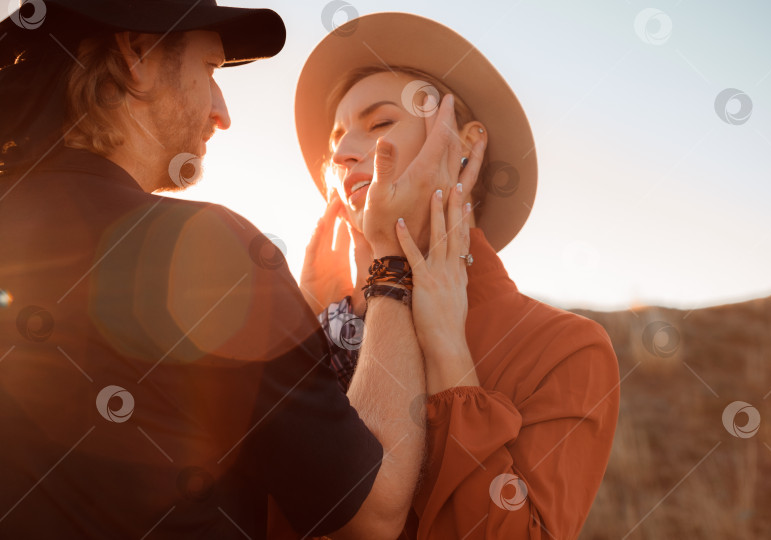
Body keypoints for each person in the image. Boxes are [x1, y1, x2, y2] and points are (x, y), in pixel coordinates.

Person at [0, 2, 470, 538]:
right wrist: (391, 263)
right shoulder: (205, 255)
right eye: (210, 70)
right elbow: (372, 513)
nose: (222, 111)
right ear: (137, 55)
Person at [286, 12, 622, 539]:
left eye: (378, 124)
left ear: (464, 143)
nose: (345, 151)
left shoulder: (565, 349)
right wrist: (295, 331)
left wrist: (449, 356)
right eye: (337, 141)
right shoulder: (313, 325)